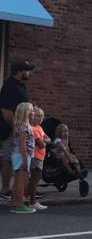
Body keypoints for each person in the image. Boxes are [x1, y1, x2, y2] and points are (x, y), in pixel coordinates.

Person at [0, 61, 33, 199]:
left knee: (14, 157)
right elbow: (6, 110)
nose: (29, 73)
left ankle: (20, 189)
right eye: (27, 70)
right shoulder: (10, 85)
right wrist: (15, 128)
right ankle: (5, 190)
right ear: (19, 71)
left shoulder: (21, 86)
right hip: (10, 130)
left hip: (19, 128)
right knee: (8, 158)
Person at [9, 103, 35, 213]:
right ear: (26, 113)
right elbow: (22, 143)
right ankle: (19, 205)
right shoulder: (25, 126)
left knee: (17, 181)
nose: (33, 113)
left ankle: (15, 204)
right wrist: (25, 159)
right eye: (31, 111)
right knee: (21, 182)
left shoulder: (19, 126)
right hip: (22, 155)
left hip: (16, 155)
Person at [28, 107, 50, 211]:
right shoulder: (33, 129)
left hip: (40, 156)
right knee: (34, 178)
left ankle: (29, 198)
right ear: (32, 116)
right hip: (35, 156)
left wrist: (45, 140)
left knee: (35, 178)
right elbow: (41, 144)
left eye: (42, 116)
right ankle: (33, 201)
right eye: (37, 115)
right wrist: (45, 141)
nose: (40, 118)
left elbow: (48, 138)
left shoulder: (39, 128)